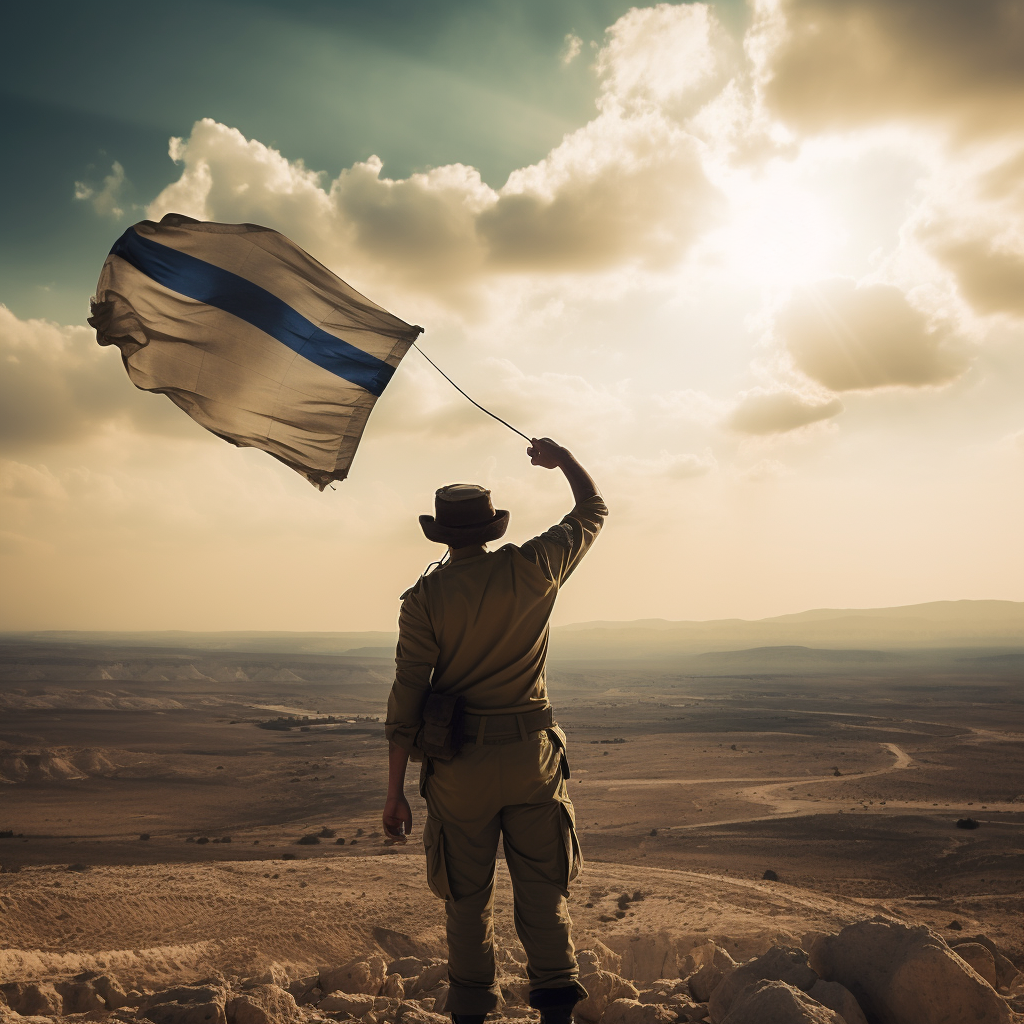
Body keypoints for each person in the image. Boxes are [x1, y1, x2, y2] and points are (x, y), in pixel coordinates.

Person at [382, 437, 608, 1024]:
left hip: (460, 769)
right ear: (490, 526)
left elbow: (406, 700)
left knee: (465, 896)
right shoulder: (531, 566)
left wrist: (394, 792)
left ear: (441, 534)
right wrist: (565, 462)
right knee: (543, 890)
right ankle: (556, 1008)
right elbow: (593, 511)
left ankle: (471, 1010)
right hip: (534, 759)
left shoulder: (423, 599)